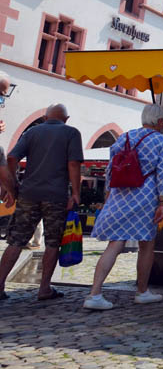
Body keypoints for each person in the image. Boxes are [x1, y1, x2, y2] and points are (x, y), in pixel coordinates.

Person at [83, 104, 163, 310]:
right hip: (146, 195)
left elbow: (110, 169)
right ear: (160, 122)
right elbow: (162, 173)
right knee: (147, 243)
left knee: (115, 243)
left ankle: (95, 293)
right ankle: (142, 291)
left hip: (120, 194)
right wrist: (162, 202)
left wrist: (108, 195)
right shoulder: (161, 141)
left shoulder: (124, 137)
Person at [0, 104, 83, 302]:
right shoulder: (71, 133)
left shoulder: (33, 132)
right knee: (52, 242)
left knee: (16, 240)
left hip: (28, 194)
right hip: (56, 196)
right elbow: (73, 164)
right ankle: (44, 288)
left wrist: (14, 183)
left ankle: (0, 283)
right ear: (67, 118)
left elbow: (11, 157)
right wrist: (76, 193)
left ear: (45, 118)